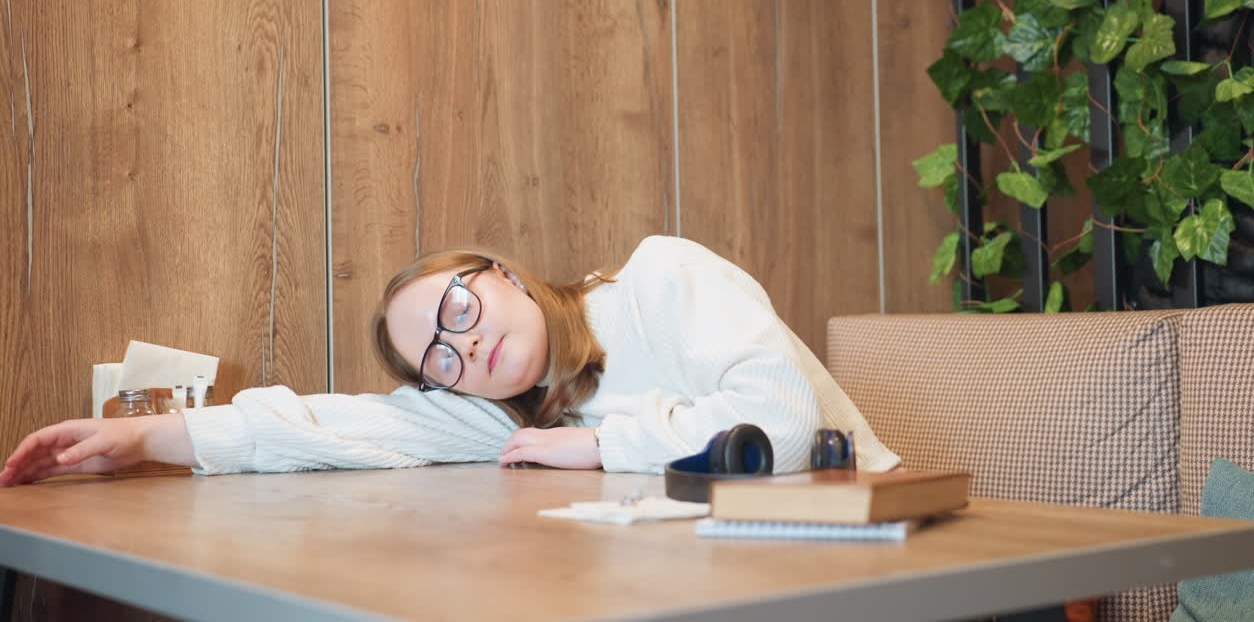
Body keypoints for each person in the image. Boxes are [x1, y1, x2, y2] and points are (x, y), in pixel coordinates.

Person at [1, 236, 899, 486]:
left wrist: (599, 447)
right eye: (439, 354)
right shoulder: (506, 413)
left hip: (875, 567)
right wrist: (147, 437)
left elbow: (782, 429)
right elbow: (335, 424)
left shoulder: (664, 277)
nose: (461, 342)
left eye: (459, 307)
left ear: (503, 273)